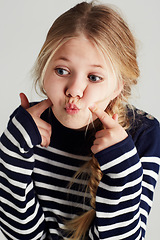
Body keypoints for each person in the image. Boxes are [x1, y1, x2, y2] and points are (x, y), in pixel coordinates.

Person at [0, 1, 160, 239]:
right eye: (62, 71)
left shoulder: (143, 134)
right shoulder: (27, 127)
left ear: (119, 85)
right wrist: (12, 153)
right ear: (44, 70)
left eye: (94, 77)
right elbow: (21, 235)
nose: (74, 90)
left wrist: (121, 172)